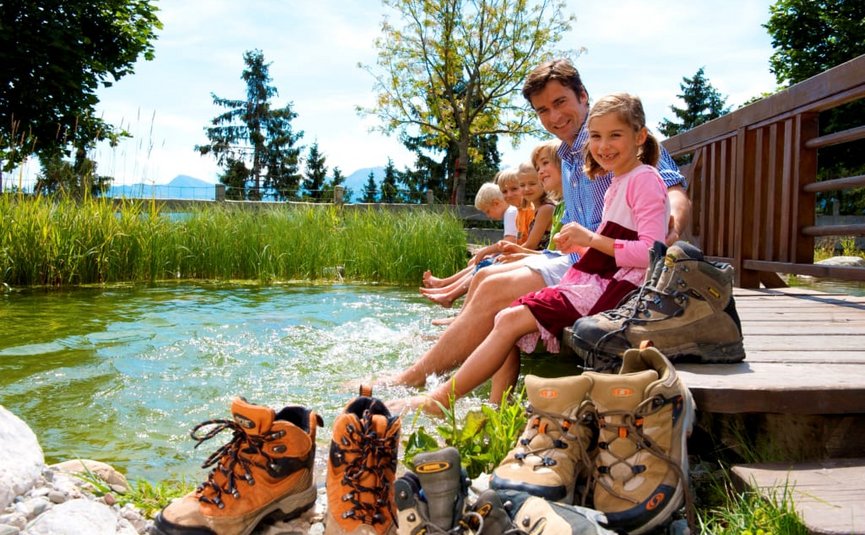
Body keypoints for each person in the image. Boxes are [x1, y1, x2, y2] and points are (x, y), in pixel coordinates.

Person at [369, 58, 690, 392]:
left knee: (493, 288)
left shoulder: (611, 139)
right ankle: (451, 364)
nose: (554, 117)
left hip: (606, 268)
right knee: (485, 275)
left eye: (560, 102)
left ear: (583, 95)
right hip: (581, 259)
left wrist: (672, 226)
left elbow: (672, 190)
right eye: (543, 110)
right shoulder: (567, 154)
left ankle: (414, 379)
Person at [421, 169, 522, 295]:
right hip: (513, 252)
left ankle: (446, 289)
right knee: (475, 262)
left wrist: (486, 251)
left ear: (496, 203)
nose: (488, 216)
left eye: (487, 211)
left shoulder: (510, 212)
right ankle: (444, 284)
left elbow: (510, 241)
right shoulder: (511, 212)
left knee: (482, 263)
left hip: (514, 255)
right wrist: (490, 252)